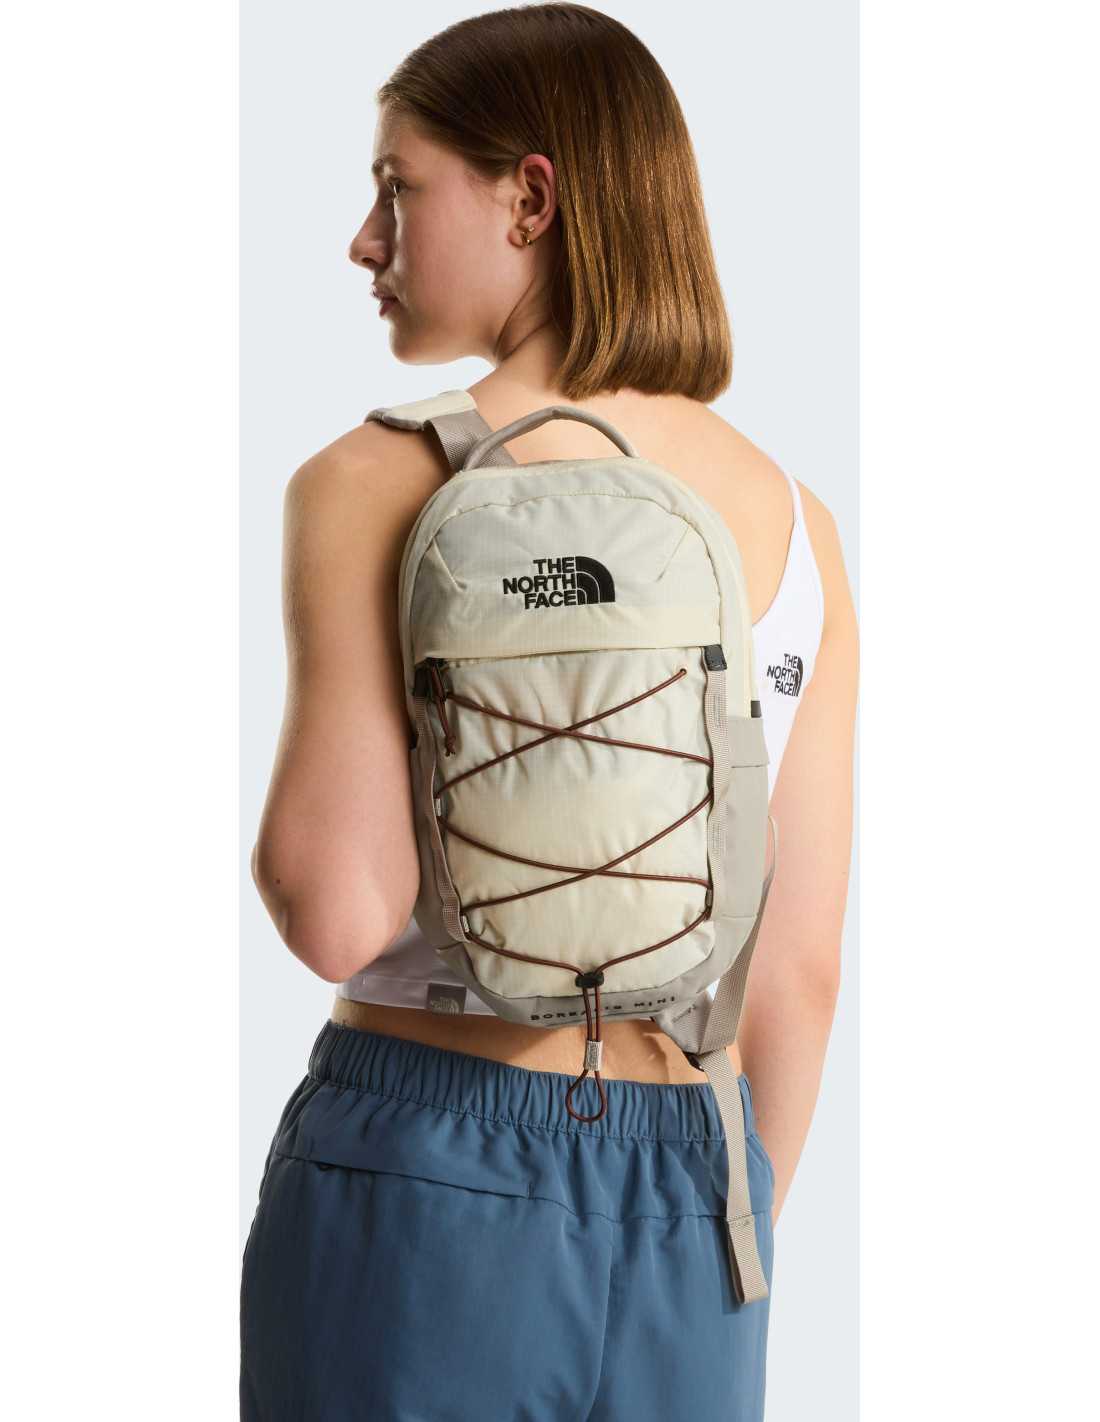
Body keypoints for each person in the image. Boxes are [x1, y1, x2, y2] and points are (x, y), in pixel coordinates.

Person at [241, 5, 857, 1419]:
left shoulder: (370, 482)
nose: (364, 241)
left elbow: (335, 911)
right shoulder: (797, 521)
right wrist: (721, 1219)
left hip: (424, 1175)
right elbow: (801, 969)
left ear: (531, 199)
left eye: (398, 187)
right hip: (698, 1187)